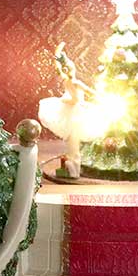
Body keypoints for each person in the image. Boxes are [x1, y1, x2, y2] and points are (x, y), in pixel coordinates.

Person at [38, 42, 107, 178]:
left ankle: (73, 167)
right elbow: (80, 96)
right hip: (74, 113)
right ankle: (72, 167)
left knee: (73, 140)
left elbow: (76, 98)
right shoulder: (72, 81)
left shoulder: (69, 81)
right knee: (72, 140)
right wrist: (58, 53)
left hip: (74, 113)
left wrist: (58, 53)